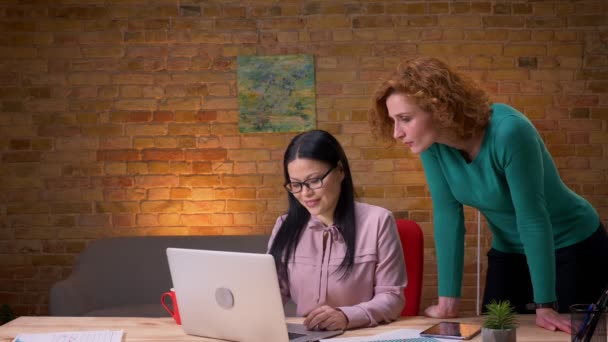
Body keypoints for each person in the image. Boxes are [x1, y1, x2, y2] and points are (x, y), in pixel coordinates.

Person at [368, 56, 608, 334]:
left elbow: (532, 217)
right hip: (509, 248)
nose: (397, 133)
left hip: (571, 244)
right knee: (494, 332)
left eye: (405, 119)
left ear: (440, 108)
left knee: (553, 333)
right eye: (393, 121)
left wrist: (545, 304)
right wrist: (448, 302)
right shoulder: (431, 145)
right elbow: (448, 215)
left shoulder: (509, 131)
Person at [268, 129, 407, 331]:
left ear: (340, 171)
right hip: (308, 335)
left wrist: (347, 316)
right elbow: (272, 292)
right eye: (296, 185)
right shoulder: (284, 225)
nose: (306, 193)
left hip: (359, 334)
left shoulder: (378, 221)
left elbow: (392, 297)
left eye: (314, 180)